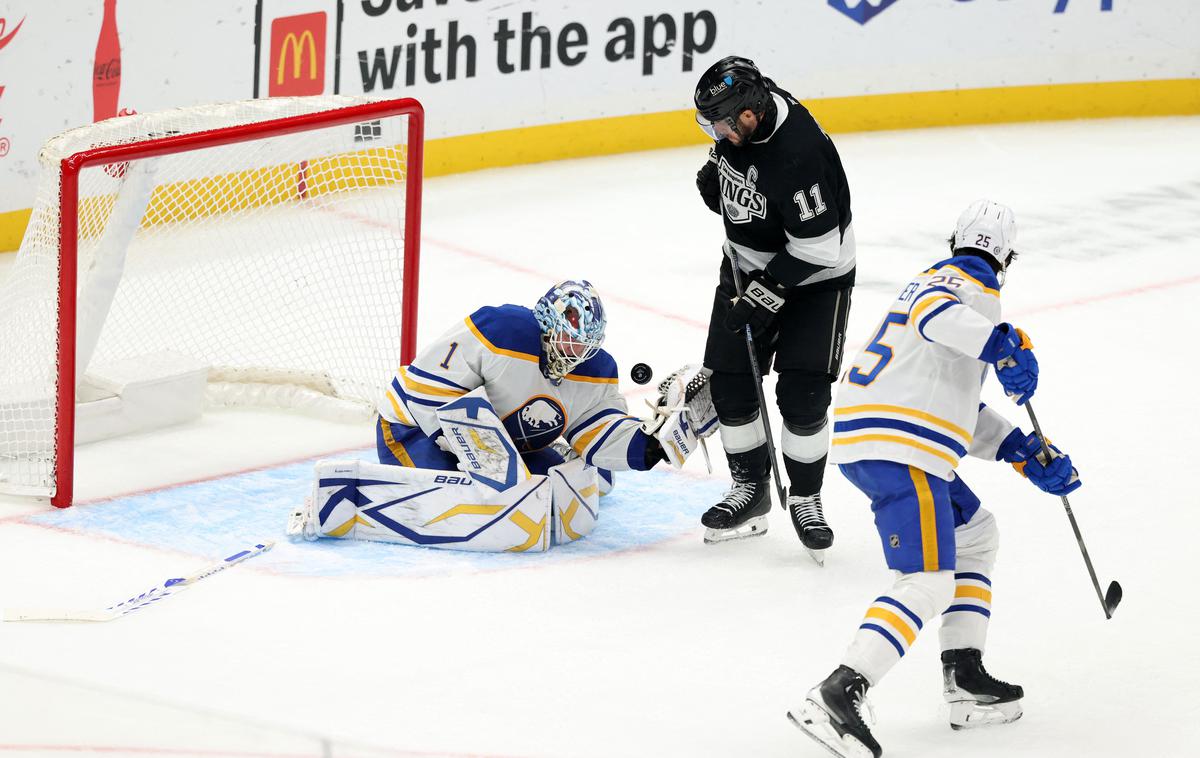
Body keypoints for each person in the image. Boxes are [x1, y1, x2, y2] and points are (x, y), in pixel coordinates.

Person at [789, 201, 1081, 757]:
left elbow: (946, 402)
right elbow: (936, 312)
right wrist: (1001, 344)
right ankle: (840, 690)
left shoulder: (948, 290)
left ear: (955, 239)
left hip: (888, 436)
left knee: (977, 533)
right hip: (901, 448)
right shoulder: (963, 288)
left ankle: (965, 676)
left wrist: (1019, 449)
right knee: (926, 580)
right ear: (1007, 258)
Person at [288, 280, 716, 552]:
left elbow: (599, 439)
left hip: (502, 447)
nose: (574, 354)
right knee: (464, 498)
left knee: (560, 487)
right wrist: (467, 449)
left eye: (583, 345)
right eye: (566, 341)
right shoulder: (500, 329)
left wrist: (656, 444)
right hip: (413, 428)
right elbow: (422, 393)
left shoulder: (598, 369)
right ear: (544, 324)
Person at [692, 55, 856, 551]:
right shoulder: (748, 116)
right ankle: (751, 489)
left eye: (721, 123)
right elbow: (736, 164)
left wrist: (763, 295)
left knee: (803, 398)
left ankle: (805, 497)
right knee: (731, 385)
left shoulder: (797, 154)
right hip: (745, 264)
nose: (715, 131)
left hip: (817, 278)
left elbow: (818, 247)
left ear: (748, 115)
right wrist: (717, 176)